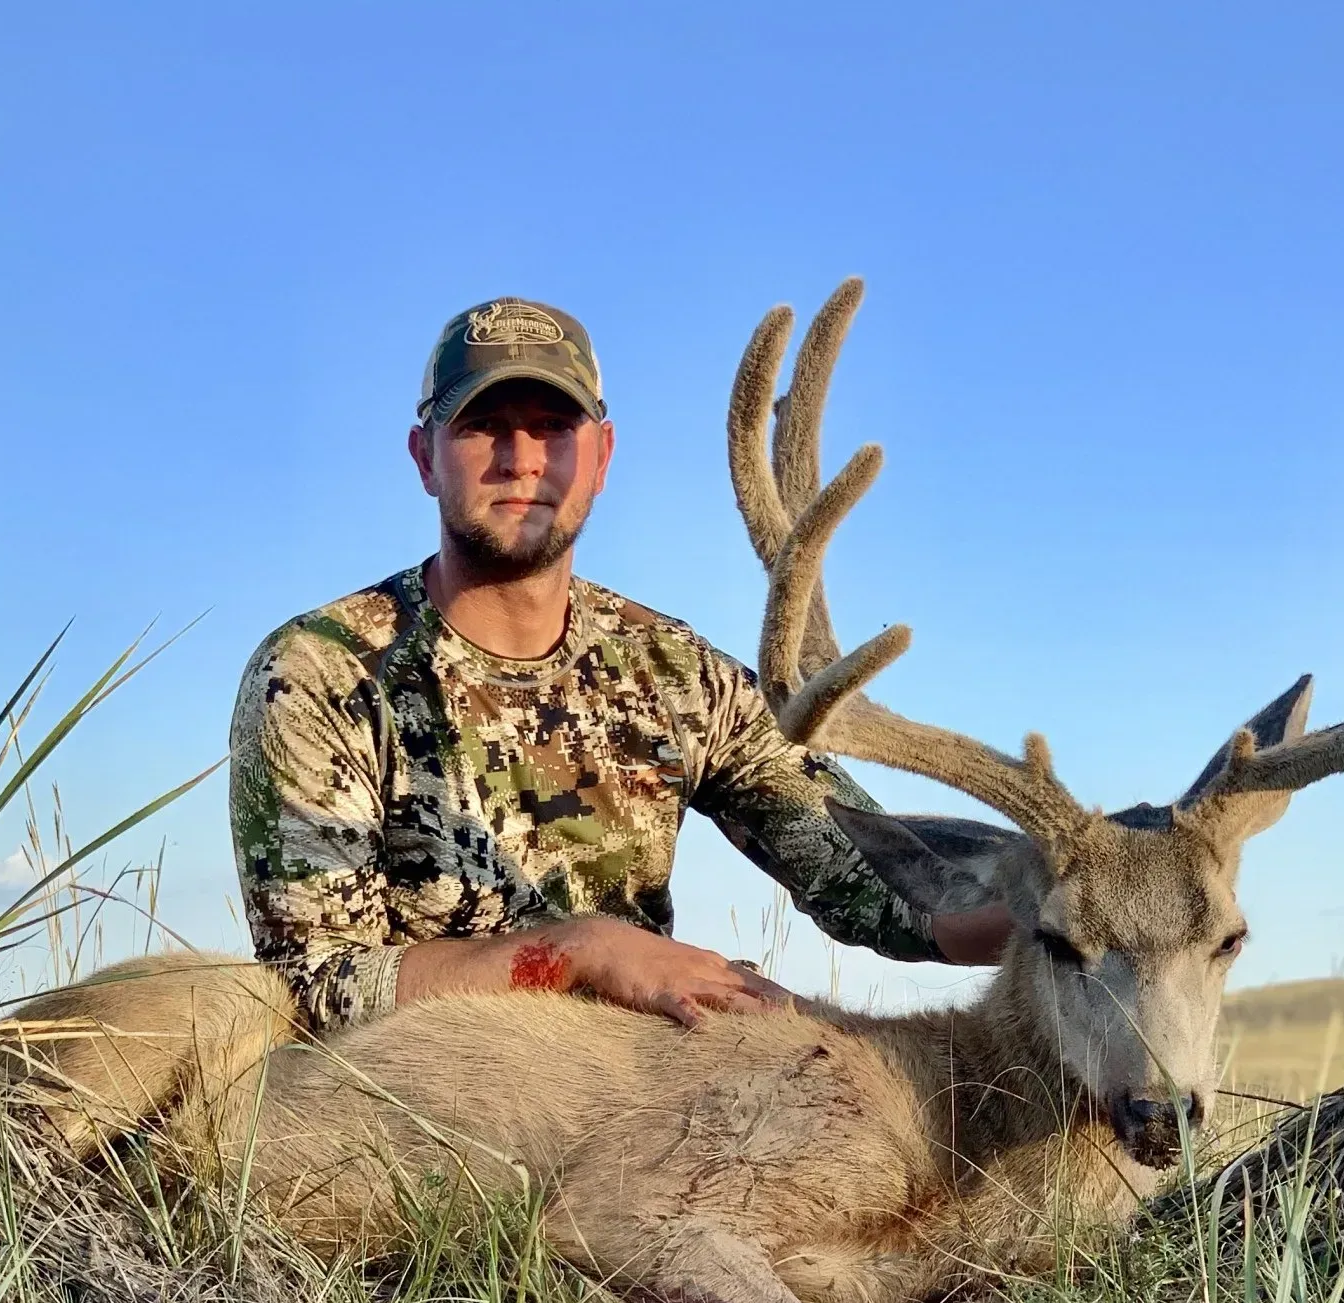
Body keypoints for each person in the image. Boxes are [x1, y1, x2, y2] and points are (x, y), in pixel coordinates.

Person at [229, 295, 1011, 1033]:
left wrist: (1080, 899)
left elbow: (881, 886)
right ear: (425, 458)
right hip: (413, 1112)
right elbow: (311, 991)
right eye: (481, 427)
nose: (519, 458)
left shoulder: (674, 673)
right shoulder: (322, 673)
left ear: (601, 457)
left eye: (552, 427)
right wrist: (583, 953)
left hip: (629, 1103)